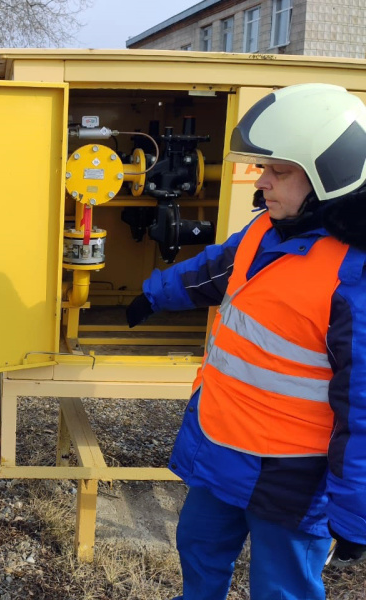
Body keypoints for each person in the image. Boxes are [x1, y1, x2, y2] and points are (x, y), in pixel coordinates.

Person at [126, 83, 366, 599]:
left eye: (279, 171)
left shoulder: (354, 276)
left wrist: (355, 510)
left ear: (333, 173)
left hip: (292, 475)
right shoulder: (267, 229)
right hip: (222, 444)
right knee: (198, 546)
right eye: (264, 167)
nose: (262, 182)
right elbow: (214, 270)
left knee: (281, 587)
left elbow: (363, 406)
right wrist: (153, 294)